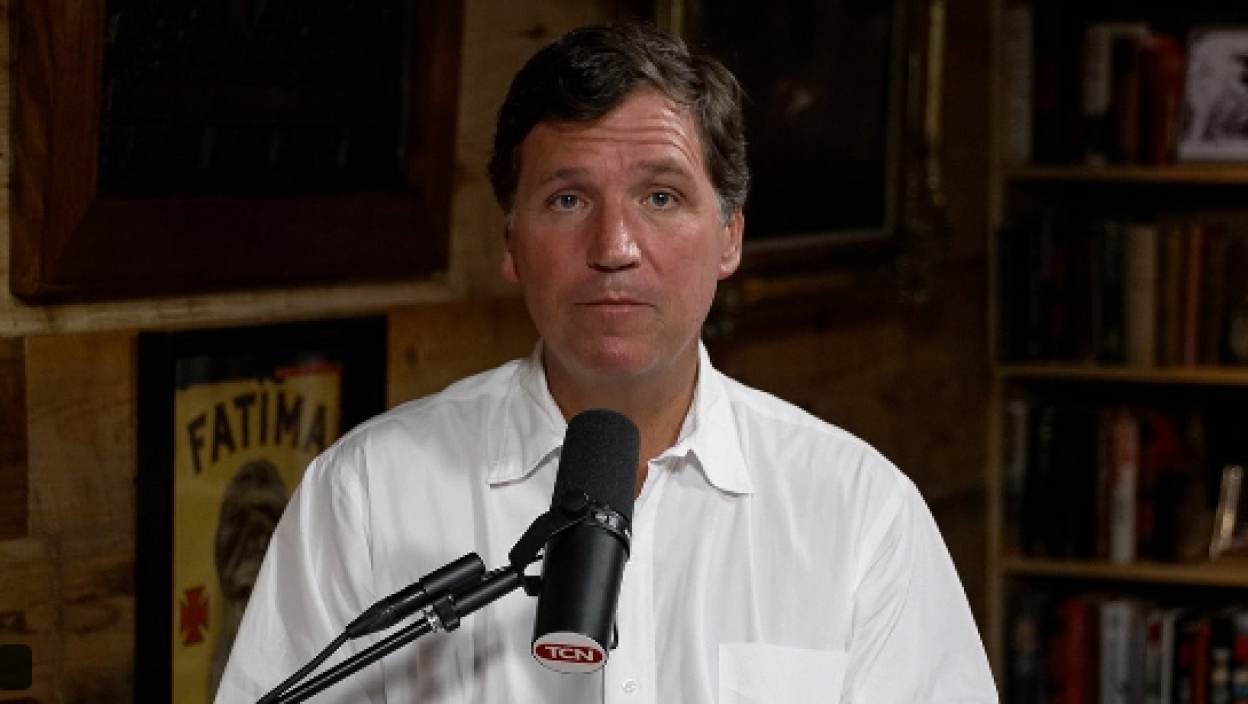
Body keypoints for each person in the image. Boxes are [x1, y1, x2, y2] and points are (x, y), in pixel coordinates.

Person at [215, 22, 998, 703]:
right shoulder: (366, 494)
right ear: (510, 243)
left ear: (729, 237)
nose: (614, 248)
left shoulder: (859, 513)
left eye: (661, 197)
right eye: (568, 200)